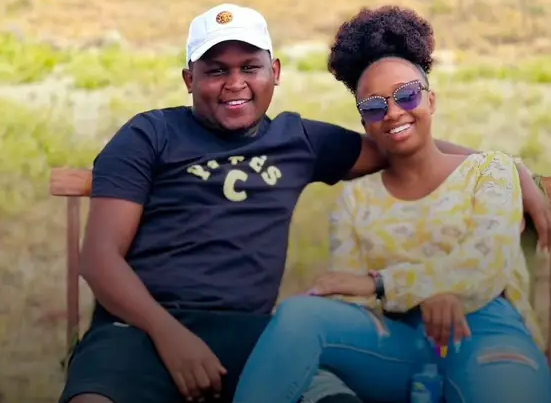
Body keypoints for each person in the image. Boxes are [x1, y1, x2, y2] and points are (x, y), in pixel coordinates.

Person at [58, 3, 551, 403]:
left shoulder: (299, 140)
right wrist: (169, 335)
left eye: (250, 67)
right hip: (138, 329)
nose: (235, 83)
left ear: (274, 72)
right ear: (189, 78)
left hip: (250, 335)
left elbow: (403, 140)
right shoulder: (150, 134)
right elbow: (99, 259)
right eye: (216, 70)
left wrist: (510, 168)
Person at [231, 6, 551, 403]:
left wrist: (382, 283)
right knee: (298, 316)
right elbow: (348, 295)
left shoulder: (490, 172)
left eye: (407, 95)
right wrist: (424, 293)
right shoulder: (357, 198)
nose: (394, 112)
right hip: (397, 339)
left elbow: (484, 266)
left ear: (431, 100)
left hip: (484, 330)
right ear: (364, 123)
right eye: (374, 106)